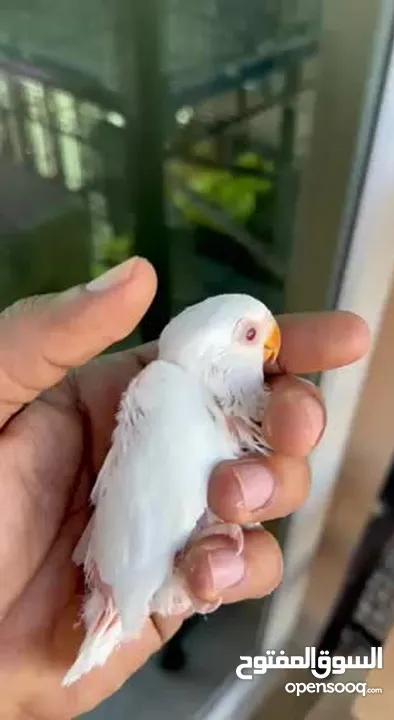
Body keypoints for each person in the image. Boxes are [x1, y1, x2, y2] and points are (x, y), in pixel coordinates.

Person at [0, 257, 370, 719]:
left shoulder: (179, 395)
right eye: (250, 336)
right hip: (120, 583)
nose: (270, 348)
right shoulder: (169, 390)